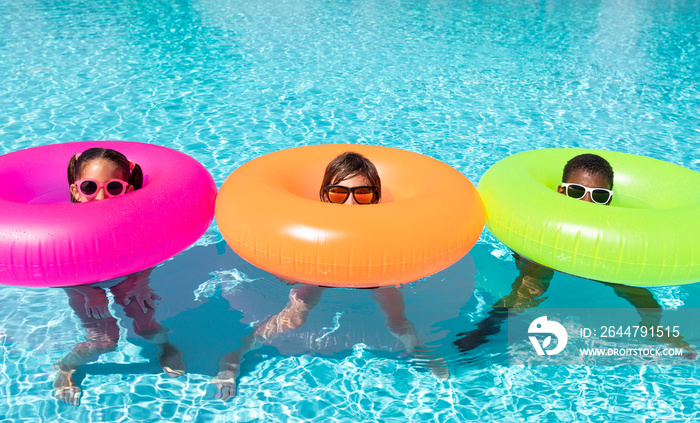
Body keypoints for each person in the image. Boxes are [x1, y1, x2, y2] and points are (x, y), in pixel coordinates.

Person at [214, 152, 447, 401]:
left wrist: (404, 271)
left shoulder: (386, 221)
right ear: (325, 195)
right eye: (339, 193)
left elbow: (406, 246)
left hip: (374, 272)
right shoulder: (315, 219)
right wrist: (293, 270)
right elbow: (291, 244)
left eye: (362, 194)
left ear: (376, 198)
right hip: (322, 271)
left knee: (398, 320)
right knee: (294, 317)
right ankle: (234, 356)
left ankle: (417, 348)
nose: (350, 204)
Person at [454, 154, 696, 357]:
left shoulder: (612, 228)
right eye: (577, 191)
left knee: (634, 289)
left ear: (609, 200)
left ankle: (653, 328)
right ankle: (488, 327)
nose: (587, 202)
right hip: (543, 252)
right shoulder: (542, 212)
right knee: (532, 283)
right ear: (561, 191)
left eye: (599, 196)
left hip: (591, 255)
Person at [54, 148, 184, 406]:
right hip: (82, 284)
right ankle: (65, 366)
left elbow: (153, 253)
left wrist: (142, 282)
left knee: (147, 326)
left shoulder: (135, 220)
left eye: (113, 187)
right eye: (90, 187)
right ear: (76, 190)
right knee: (104, 342)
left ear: (127, 189)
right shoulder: (62, 225)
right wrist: (90, 293)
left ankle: (167, 347)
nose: (101, 196)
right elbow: (57, 268)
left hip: (127, 277)